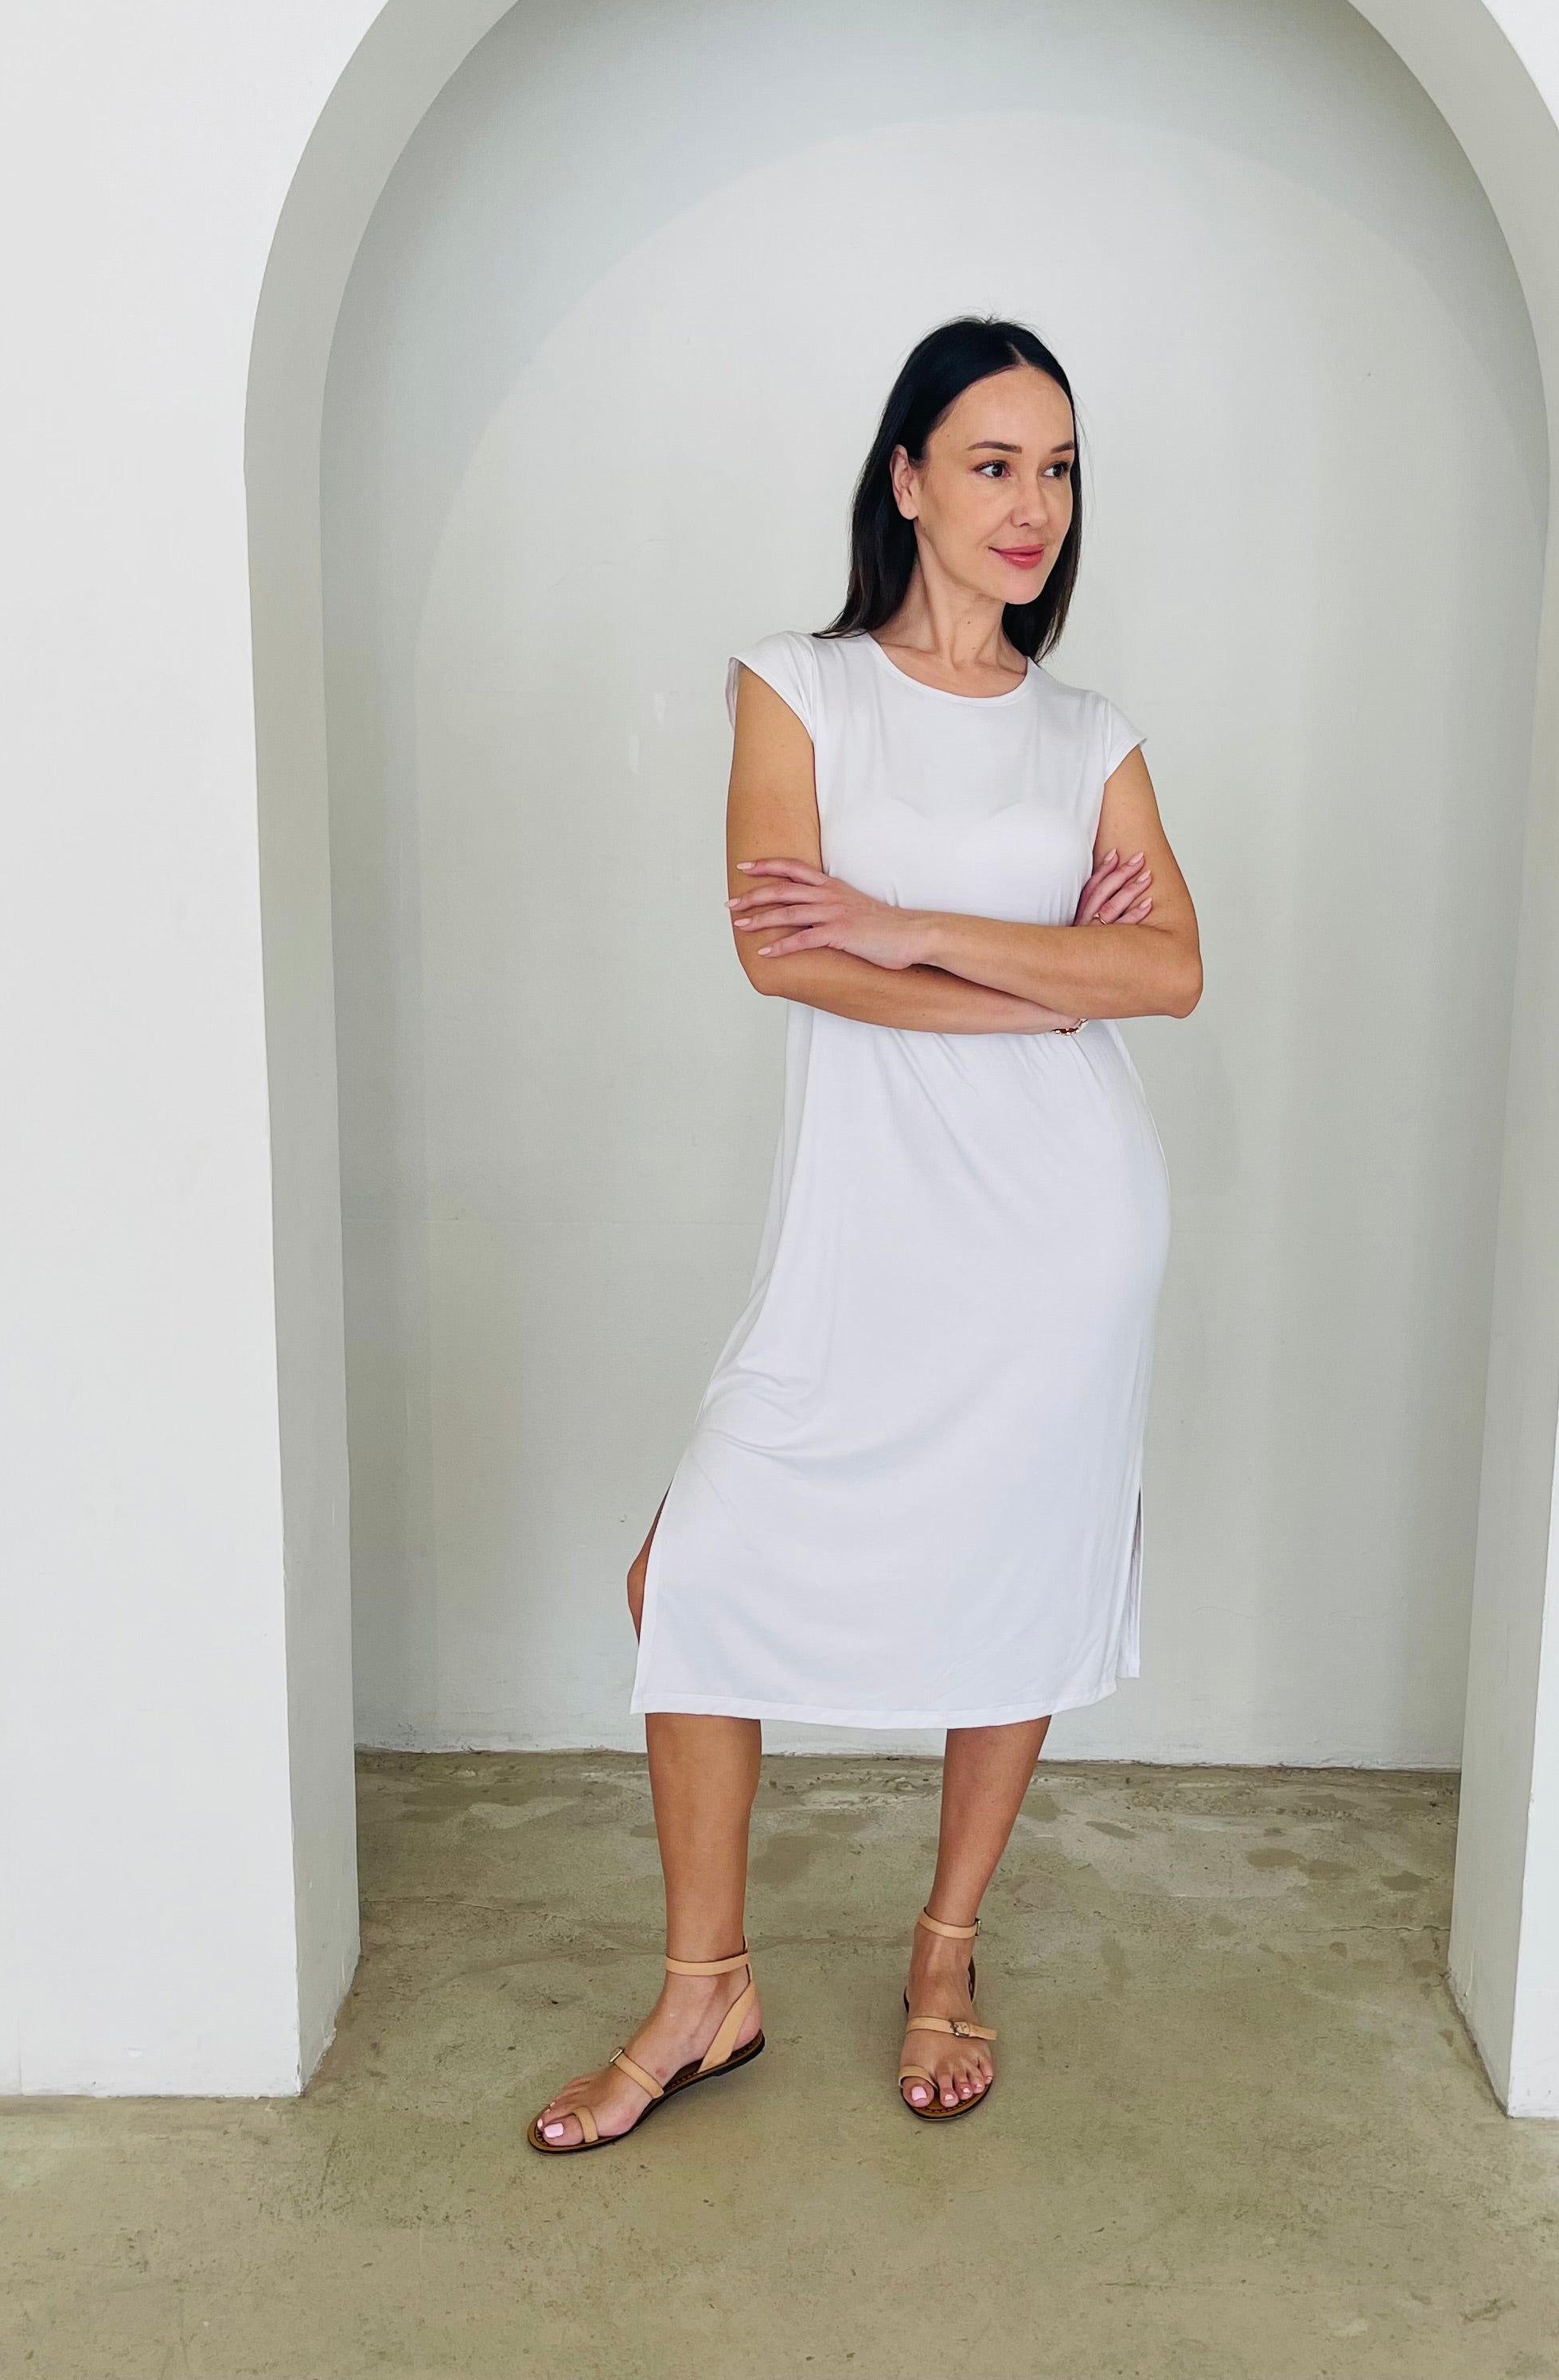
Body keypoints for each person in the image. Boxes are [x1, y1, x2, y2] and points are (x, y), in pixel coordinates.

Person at [528, 316, 1202, 2152]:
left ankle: (944, 1956)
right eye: (993, 463)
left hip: (1064, 1233)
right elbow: (779, 948)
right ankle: (707, 1990)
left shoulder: (1089, 735)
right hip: (872, 1231)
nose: (1032, 506)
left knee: (1014, 1593)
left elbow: (1169, 968)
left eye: (1059, 469)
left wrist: (908, 922)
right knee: (694, 1577)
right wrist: (1033, 978)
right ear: (905, 477)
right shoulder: (797, 689)